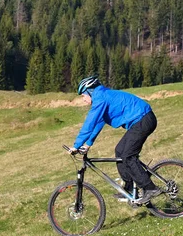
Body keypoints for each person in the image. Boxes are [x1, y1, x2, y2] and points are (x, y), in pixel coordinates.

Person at [69, 75, 162, 204]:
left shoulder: (100, 98)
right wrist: (88, 144)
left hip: (144, 119)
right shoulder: (102, 96)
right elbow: (98, 123)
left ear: (90, 91)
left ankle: (150, 188)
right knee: (120, 151)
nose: (83, 100)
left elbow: (89, 123)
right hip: (141, 120)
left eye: (83, 96)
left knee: (128, 155)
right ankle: (129, 189)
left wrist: (76, 145)